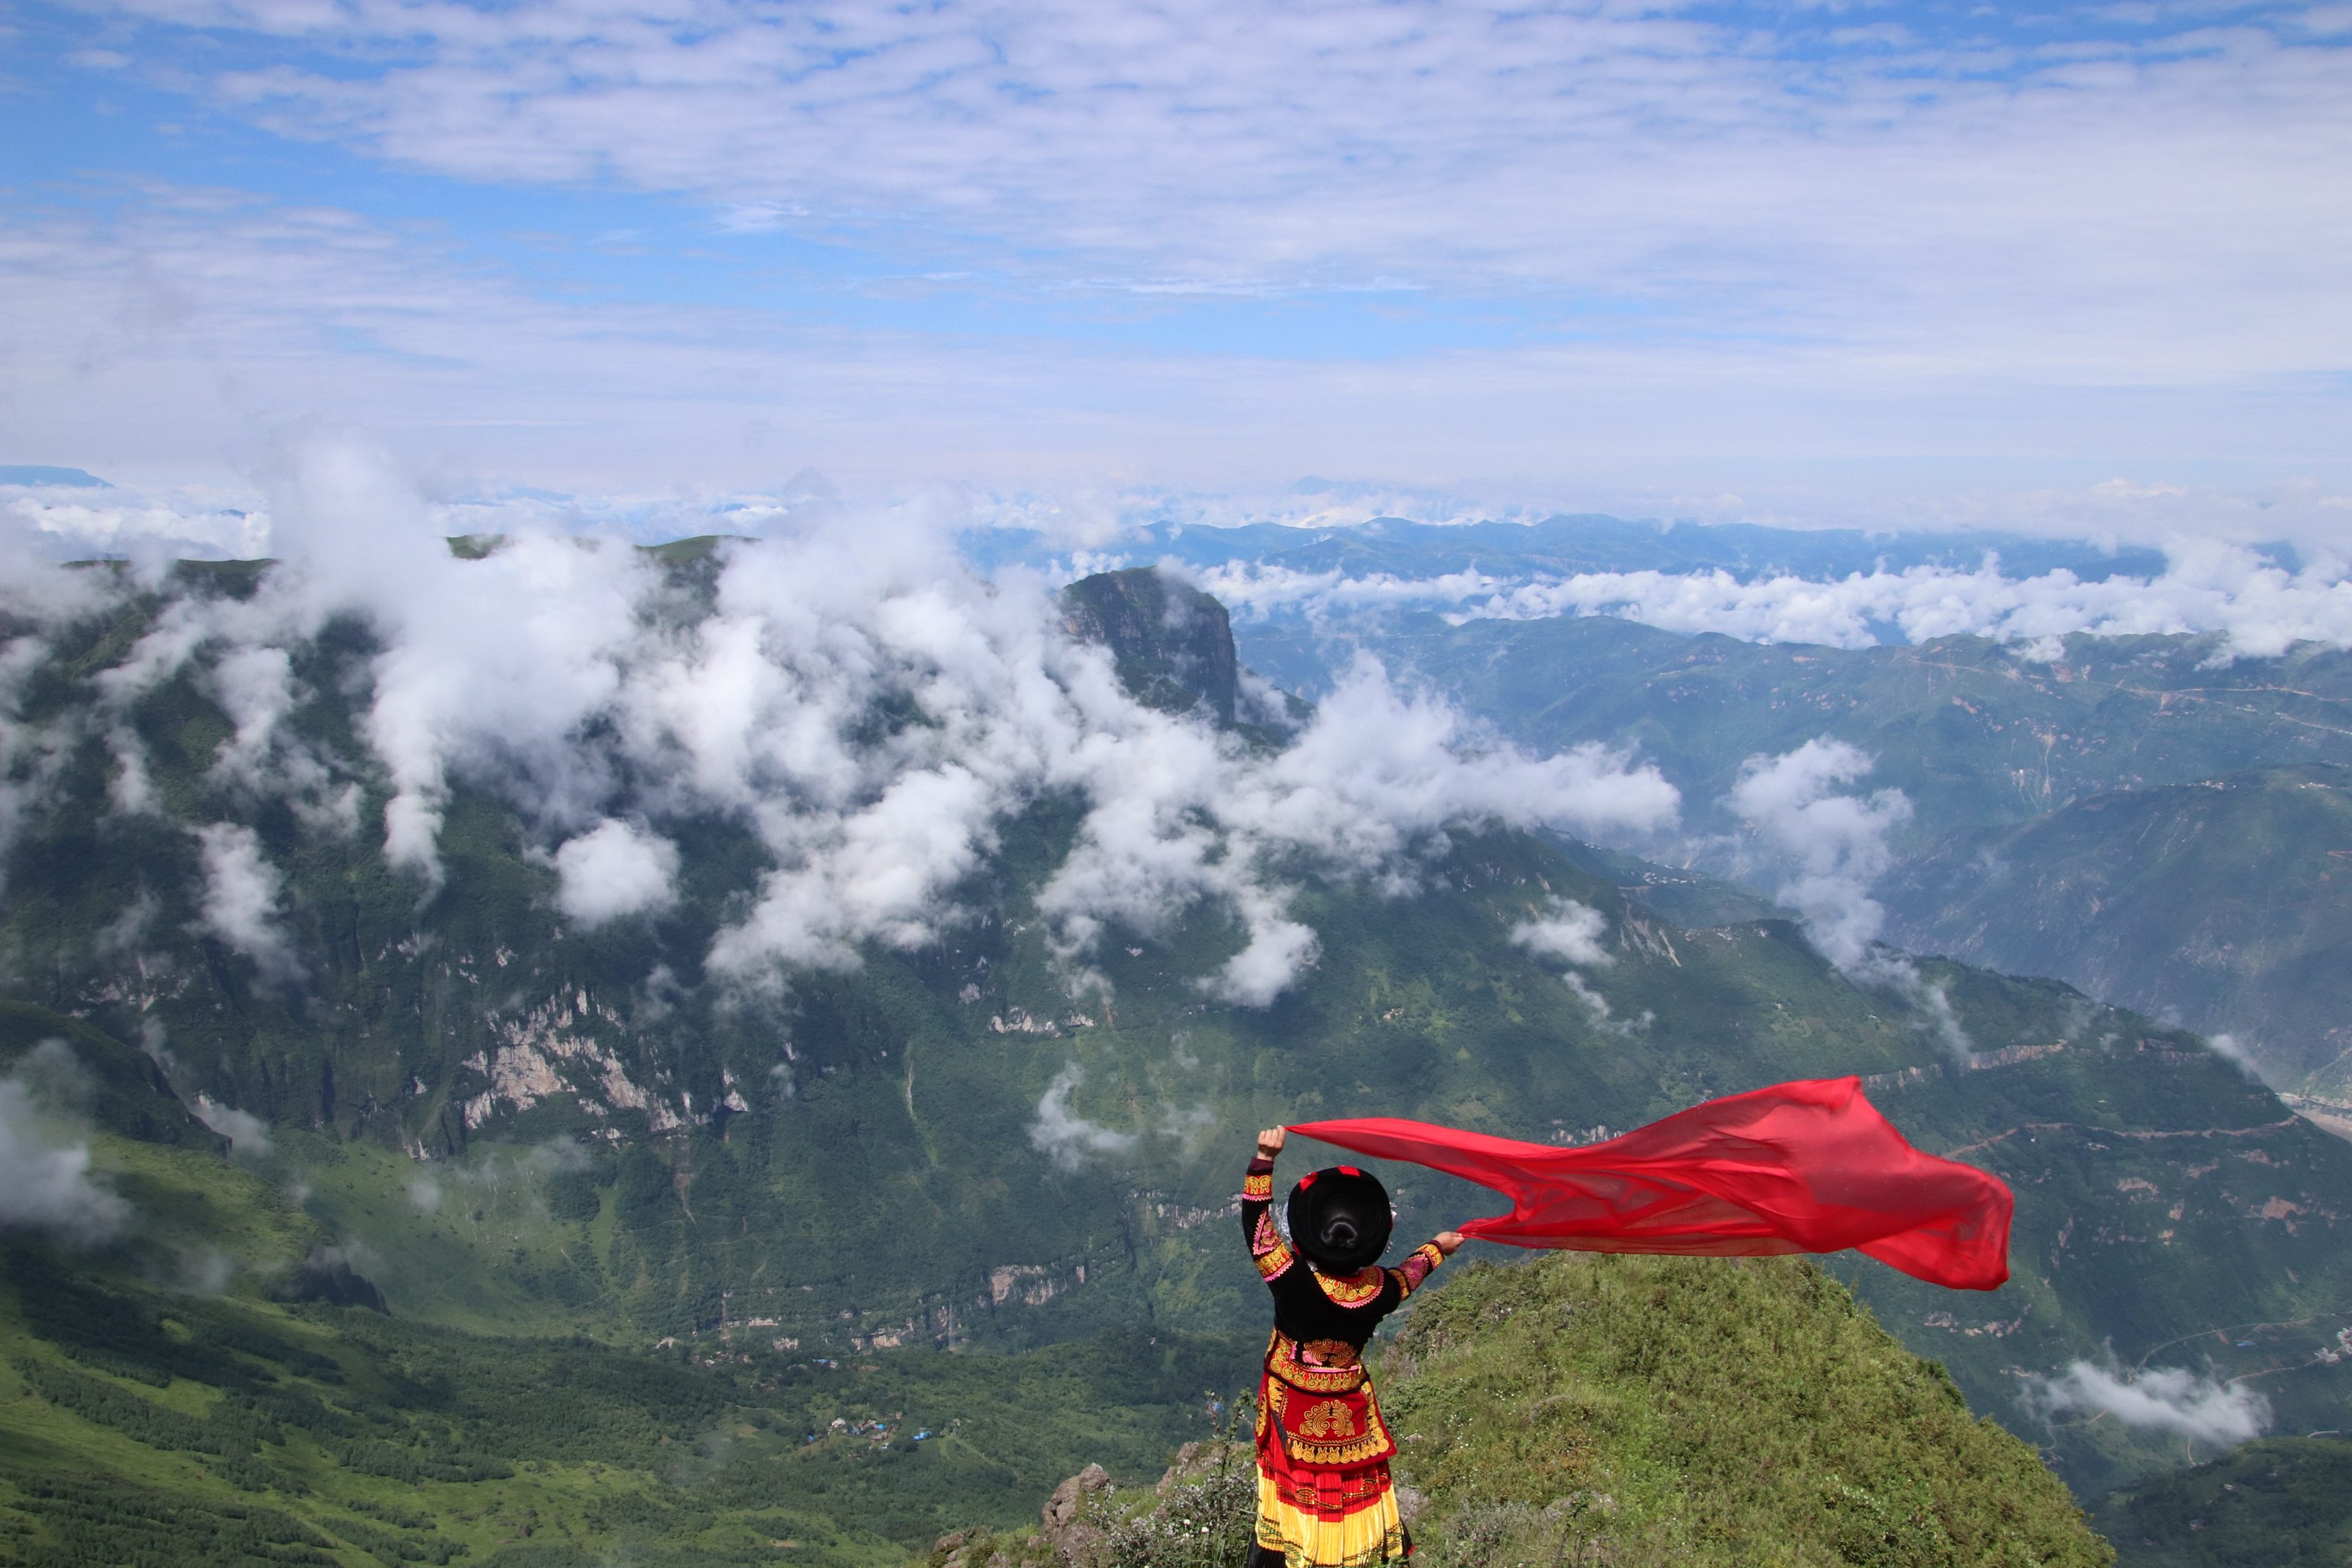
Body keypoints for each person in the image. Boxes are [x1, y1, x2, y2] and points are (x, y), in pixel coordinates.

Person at [1243, 1125, 1464, 1567]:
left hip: (1293, 1405)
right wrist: (1439, 1247)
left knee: (1298, 1485)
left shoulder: (1292, 1282)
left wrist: (1264, 1159)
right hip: (1349, 1411)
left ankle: (1298, 1550)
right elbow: (1411, 1272)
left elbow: (1258, 1227)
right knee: (1344, 1487)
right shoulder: (1380, 1290)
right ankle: (1345, 1554)